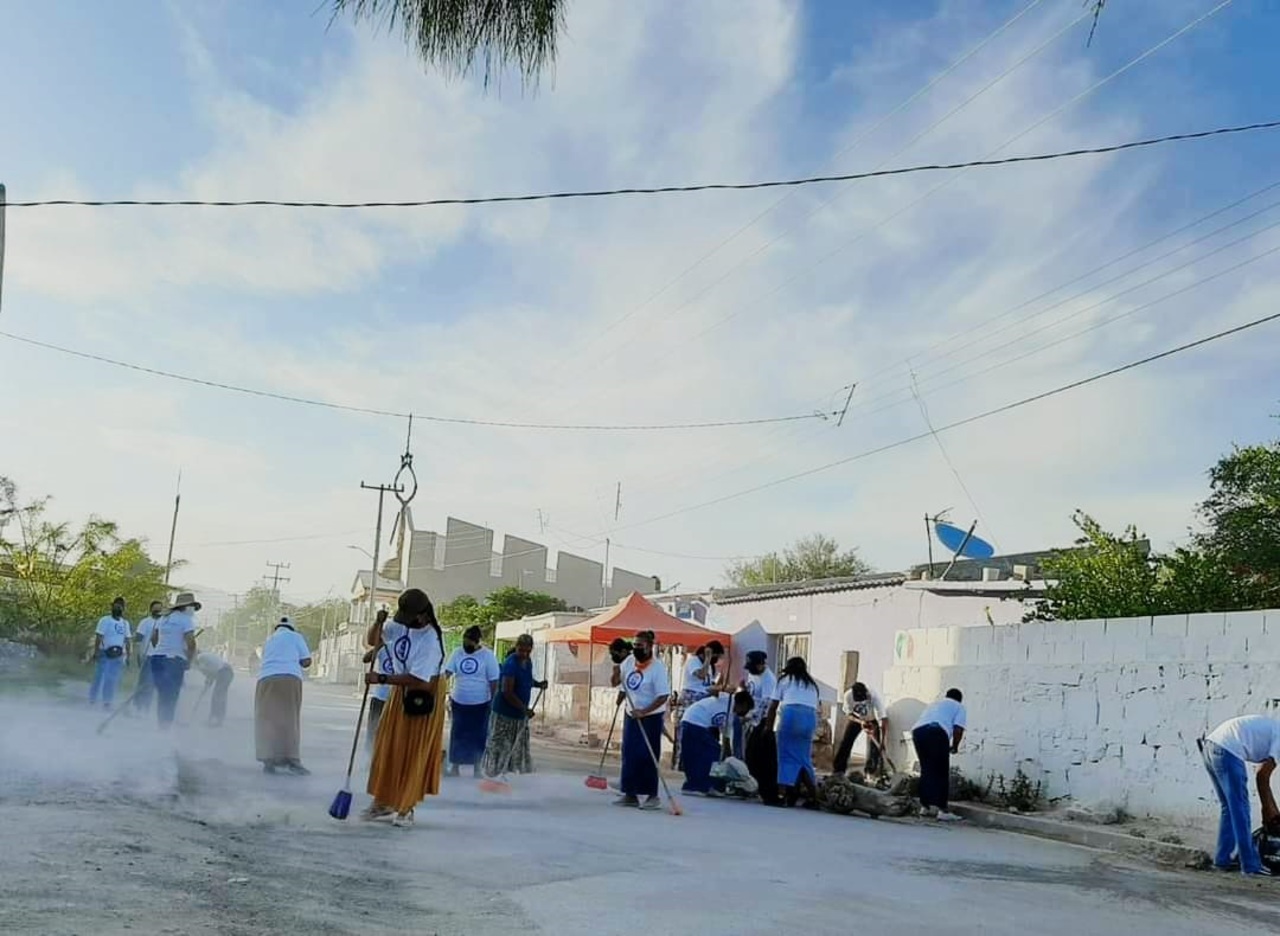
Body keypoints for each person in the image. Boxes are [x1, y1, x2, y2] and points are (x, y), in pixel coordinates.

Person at [364, 588, 447, 827]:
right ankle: (384, 801)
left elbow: (420, 679)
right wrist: (377, 622)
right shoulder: (400, 625)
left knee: (413, 751)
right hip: (401, 689)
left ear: (421, 616)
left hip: (424, 692)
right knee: (387, 745)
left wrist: (381, 679)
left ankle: (406, 805)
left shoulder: (430, 639)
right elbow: (373, 640)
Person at [1200, 715, 1280, 876]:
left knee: (1229, 808)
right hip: (1227, 749)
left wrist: (1270, 811)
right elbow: (1263, 776)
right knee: (1240, 810)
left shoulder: (1275, 729)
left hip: (1211, 746)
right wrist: (1268, 810)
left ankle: (1223, 860)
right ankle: (1250, 865)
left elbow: (1262, 776)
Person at [611, 629, 671, 810]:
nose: (636, 648)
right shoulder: (629, 661)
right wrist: (615, 672)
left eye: (640, 645)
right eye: (634, 645)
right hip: (631, 715)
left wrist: (644, 711)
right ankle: (630, 794)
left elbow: (663, 696)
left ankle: (652, 795)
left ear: (650, 646)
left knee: (648, 755)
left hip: (650, 717)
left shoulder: (657, 668)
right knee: (629, 754)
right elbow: (616, 683)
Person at [482, 634, 547, 778]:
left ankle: (511, 777)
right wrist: (524, 709)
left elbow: (526, 680)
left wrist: (538, 684)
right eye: (521, 650)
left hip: (519, 715)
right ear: (516, 647)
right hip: (505, 714)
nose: (524, 654)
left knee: (517, 748)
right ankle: (493, 776)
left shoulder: (527, 662)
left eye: (527, 651)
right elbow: (507, 692)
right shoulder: (510, 664)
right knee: (501, 746)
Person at [255, 616, 313, 775]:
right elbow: (307, 661)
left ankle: (268, 760)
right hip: (289, 678)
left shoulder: (269, 640)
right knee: (289, 718)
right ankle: (292, 759)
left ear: (277, 628)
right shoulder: (296, 637)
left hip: (265, 679)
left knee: (267, 719)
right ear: (292, 628)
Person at [765, 657, 821, 809]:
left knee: (785, 757)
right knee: (804, 759)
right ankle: (814, 797)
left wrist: (768, 728)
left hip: (791, 716)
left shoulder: (785, 680)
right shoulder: (812, 684)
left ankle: (782, 795)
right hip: (809, 718)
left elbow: (773, 707)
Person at [445, 625, 501, 777]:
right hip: (459, 700)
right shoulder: (457, 653)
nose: (466, 645)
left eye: (469, 643)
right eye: (465, 642)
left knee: (478, 735)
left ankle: (477, 768)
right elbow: (447, 673)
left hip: (481, 702)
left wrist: (492, 700)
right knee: (458, 733)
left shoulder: (487, 656)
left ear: (477, 642)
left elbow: (493, 680)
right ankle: (455, 767)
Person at [681, 690, 754, 794]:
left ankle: (704, 784)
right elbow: (713, 690)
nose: (743, 713)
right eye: (745, 709)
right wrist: (726, 688)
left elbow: (726, 738)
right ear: (743, 704)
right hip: (695, 720)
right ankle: (697, 785)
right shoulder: (727, 699)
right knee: (708, 753)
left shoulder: (730, 716)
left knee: (711, 752)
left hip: (700, 724)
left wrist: (729, 758)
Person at [912, 688, 967, 821]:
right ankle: (942, 810)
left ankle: (924, 807)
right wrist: (954, 746)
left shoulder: (935, 704)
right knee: (941, 771)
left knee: (926, 769)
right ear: (959, 699)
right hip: (936, 732)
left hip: (918, 732)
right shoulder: (959, 707)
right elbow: (958, 729)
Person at [150, 592, 199, 729]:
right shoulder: (185, 620)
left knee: (162, 693)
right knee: (171, 694)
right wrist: (188, 660)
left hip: (157, 658)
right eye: (192, 607)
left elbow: (154, 638)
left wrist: (161, 649)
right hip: (173, 661)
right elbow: (191, 643)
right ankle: (166, 725)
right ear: (186, 607)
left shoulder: (164, 618)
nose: (193, 610)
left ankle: (162, 723)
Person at [741, 650, 779, 804]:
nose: (750, 670)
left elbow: (766, 704)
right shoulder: (753, 675)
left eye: (753, 666)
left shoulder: (769, 679)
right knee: (750, 755)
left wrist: (751, 717)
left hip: (763, 721)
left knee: (760, 758)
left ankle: (766, 791)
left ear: (761, 664)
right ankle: (754, 786)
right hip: (752, 720)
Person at [833, 681, 889, 777]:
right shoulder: (848, 696)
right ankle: (838, 770)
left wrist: (882, 741)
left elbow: (883, 719)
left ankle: (870, 772)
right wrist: (860, 722)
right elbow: (849, 714)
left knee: (875, 748)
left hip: (872, 719)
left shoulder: (873, 695)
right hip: (856, 719)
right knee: (846, 742)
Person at [89, 597, 132, 710]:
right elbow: (99, 636)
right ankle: (92, 699)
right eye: (116, 606)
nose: (118, 608)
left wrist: (128, 655)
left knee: (112, 678)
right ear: (112, 606)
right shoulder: (105, 620)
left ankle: (107, 701)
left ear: (124, 608)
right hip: (104, 652)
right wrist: (96, 651)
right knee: (99, 676)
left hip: (118, 654)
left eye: (120, 606)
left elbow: (127, 639)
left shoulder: (125, 623)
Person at [363, 608, 393, 751]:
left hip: (396, 698)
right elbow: (366, 658)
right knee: (373, 731)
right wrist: (379, 645)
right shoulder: (383, 647)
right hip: (380, 696)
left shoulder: (405, 647)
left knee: (391, 733)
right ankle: (369, 758)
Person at [132, 600, 164, 714]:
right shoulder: (145, 622)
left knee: (152, 683)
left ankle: (146, 706)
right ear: (151, 610)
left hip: (159, 657)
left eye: (160, 609)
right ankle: (138, 705)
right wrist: (138, 654)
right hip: (147, 655)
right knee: (143, 681)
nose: (158, 611)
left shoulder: (164, 623)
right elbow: (138, 640)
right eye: (155, 609)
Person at [192, 651, 235, 727]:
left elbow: (210, 672)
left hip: (224, 671)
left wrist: (207, 683)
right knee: (220, 696)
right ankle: (216, 719)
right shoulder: (203, 657)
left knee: (218, 696)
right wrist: (207, 683)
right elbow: (211, 673)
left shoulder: (200, 657)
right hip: (227, 672)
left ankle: (215, 719)